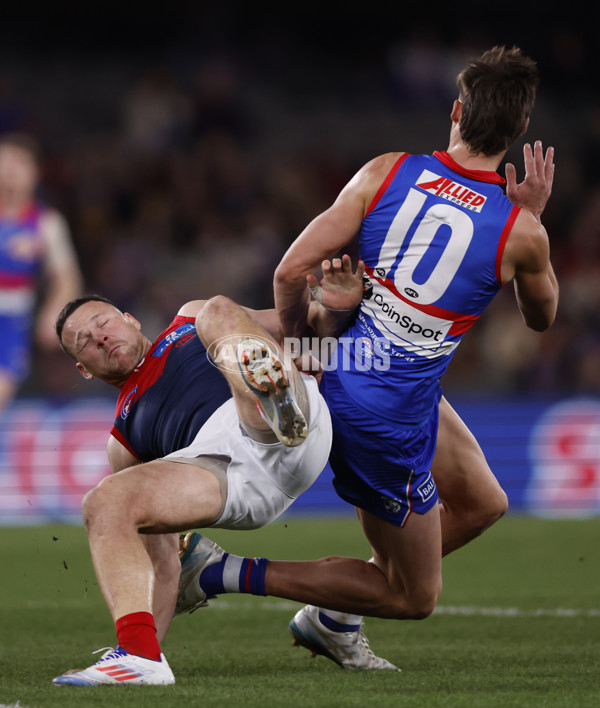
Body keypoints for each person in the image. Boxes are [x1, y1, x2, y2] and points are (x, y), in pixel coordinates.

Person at [175, 45, 559, 669]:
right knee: (412, 597)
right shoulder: (521, 231)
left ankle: (334, 614)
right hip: (383, 411)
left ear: (456, 111)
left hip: (394, 384)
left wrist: (304, 349)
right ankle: (218, 573)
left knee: (486, 502)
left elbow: (291, 269)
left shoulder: (386, 171)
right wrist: (531, 220)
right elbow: (541, 318)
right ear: (516, 133)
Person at [50, 257, 367, 686]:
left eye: (103, 322)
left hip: (280, 422)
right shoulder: (123, 440)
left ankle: (270, 397)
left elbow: (305, 329)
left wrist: (331, 308)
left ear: (129, 318)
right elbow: (164, 566)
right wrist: (150, 643)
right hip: (231, 477)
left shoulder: (188, 319)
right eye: (84, 342)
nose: (100, 336)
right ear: (84, 370)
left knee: (216, 309)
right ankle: (138, 659)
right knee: (106, 498)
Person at [0, 132, 82, 415]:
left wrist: (54, 310)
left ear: (35, 173)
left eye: (19, 163)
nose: (10, 170)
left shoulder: (47, 223)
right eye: (4, 161)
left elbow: (67, 278)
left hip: (10, 325)